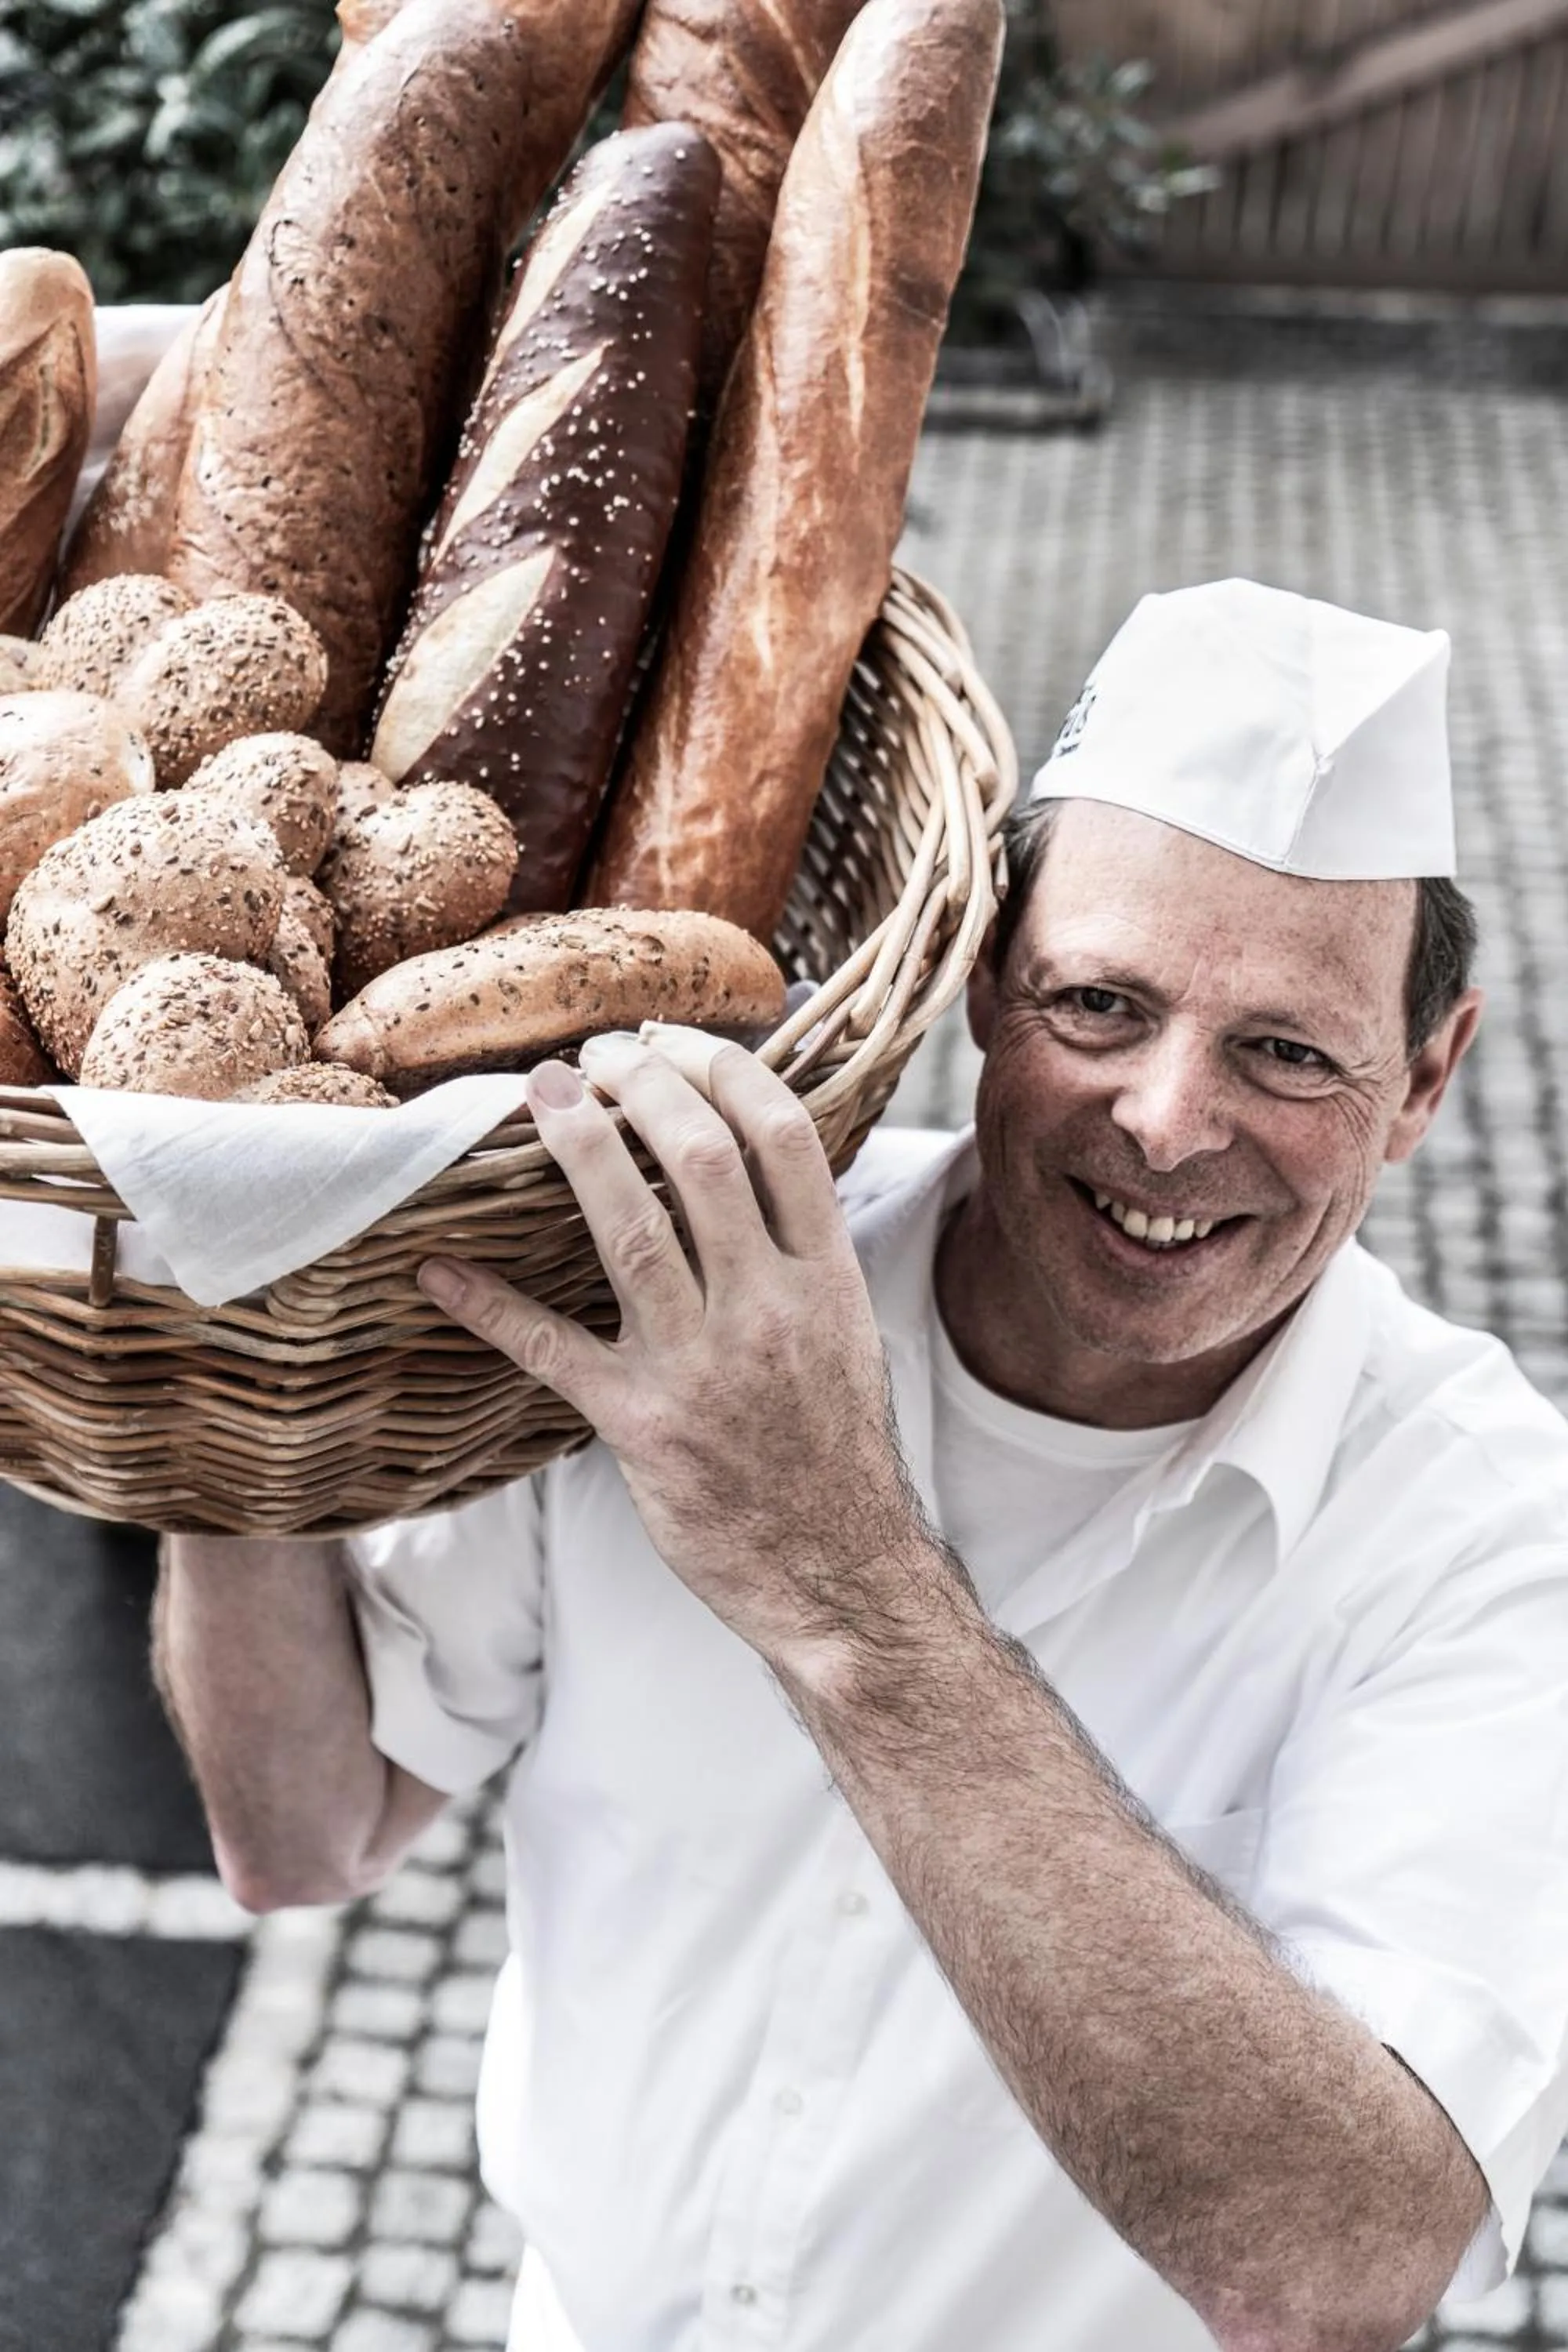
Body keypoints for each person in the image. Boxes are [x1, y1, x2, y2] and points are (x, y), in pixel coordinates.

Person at [158, 580, 1568, 2352]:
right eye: (1099, 1005)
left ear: (1430, 1076)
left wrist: (841, 1584)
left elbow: (1340, 2264)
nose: (1167, 1121)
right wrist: (217, 1397)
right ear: (981, 979)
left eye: (1286, 1052)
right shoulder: (682, 1282)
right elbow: (304, 1831)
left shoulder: (1490, 1537)